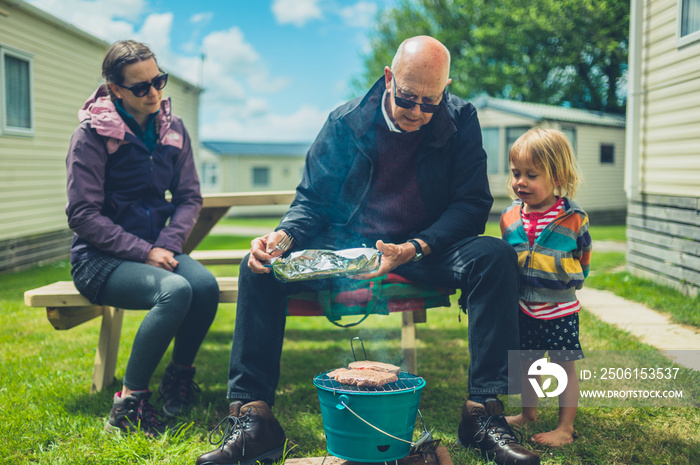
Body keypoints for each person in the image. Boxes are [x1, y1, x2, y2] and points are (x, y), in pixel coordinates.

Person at [196, 36, 539, 465]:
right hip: (346, 249)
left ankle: (483, 414)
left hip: (422, 250)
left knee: (494, 256)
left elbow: (471, 204)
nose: (417, 112)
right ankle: (254, 417)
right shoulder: (344, 123)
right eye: (407, 98)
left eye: (430, 102)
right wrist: (278, 241)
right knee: (259, 268)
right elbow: (312, 203)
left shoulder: (460, 119)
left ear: (445, 89)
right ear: (389, 78)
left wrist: (413, 247)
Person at [65, 40, 219, 436]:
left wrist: (166, 245)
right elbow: (82, 215)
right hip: (101, 258)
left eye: (159, 81)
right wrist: (143, 250)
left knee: (203, 285)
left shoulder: (173, 129)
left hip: (157, 248)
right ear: (115, 89)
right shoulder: (92, 135)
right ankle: (128, 404)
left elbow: (189, 198)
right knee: (176, 291)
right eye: (140, 87)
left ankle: (178, 378)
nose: (154, 93)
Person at [500, 128, 592, 446]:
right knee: (529, 362)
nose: (520, 182)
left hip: (560, 308)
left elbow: (584, 256)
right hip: (524, 305)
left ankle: (565, 428)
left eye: (531, 175)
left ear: (557, 176)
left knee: (563, 367)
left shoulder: (573, 219)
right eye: (516, 173)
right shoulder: (510, 217)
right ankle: (529, 413)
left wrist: (570, 278)